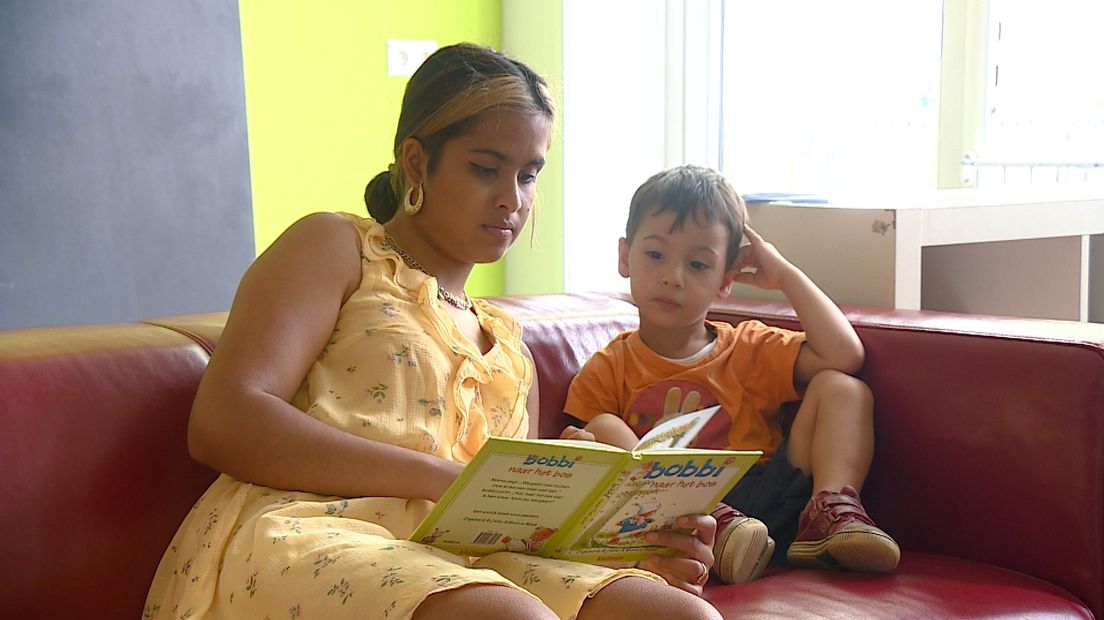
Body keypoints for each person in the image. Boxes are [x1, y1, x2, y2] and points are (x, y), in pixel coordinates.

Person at [143, 44, 725, 620]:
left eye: (528, 175)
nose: (512, 199)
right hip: (311, 533)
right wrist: (446, 478)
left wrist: (629, 537)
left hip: (460, 553)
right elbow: (223, 420)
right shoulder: (336, 247)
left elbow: (504, 516)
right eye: (485, 168)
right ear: (417, 161)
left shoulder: (506, 343)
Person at [561, 165, 900, 585]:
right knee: (602, 426)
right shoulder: (609, 368)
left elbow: (845, 354)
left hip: (773, 497)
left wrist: (784, 275)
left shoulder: (749, 347)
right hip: (679, 517)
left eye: (699, 265)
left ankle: (828, 516)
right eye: (655, 255)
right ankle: (719, 534)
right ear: (624, 257)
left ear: (727, 281)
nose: (673, 277)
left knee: (843, 387)